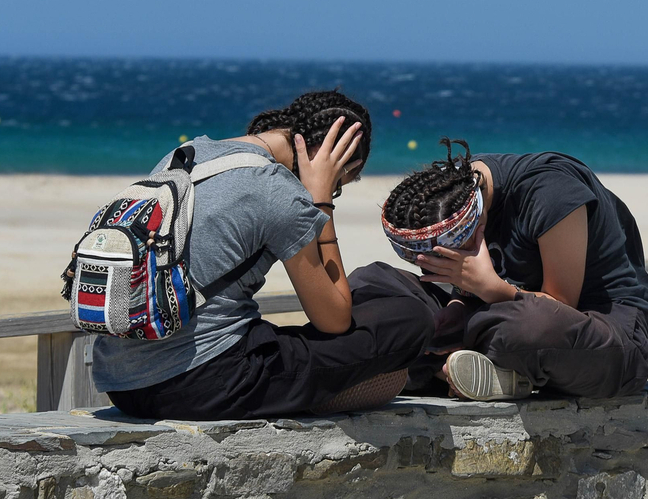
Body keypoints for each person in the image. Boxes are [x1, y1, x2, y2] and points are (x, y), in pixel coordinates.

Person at [93, 91, 434, 420]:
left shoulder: (187, 153)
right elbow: (334, 320)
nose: (336, 191)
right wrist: (321, 201)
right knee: (409, 318)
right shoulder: (276, 190)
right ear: (337, 160)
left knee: (348, 308)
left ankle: (313, 392)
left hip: (121, 384)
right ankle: (322, 396)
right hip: (199, 383)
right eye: (341, 182)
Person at [356, 138, 648, 401]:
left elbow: (561, 306)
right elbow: (468, 293)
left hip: (597, 332)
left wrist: (490, 289)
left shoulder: (551, 192)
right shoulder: (453, 190)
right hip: (492, 316)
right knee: (373, 282)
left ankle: (430, 364)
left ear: (473, 221)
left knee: (530, 328)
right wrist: (457, 306)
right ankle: (469, 368)